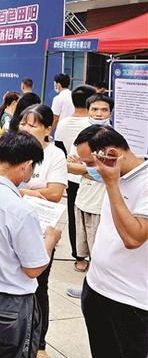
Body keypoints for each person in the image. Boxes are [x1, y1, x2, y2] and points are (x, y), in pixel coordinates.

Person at [0, 131, 62, 358]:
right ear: (26, 166)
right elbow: (32, 269)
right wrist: (50, 240)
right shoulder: (20, 211)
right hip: (10, 301)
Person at [73, 125, 148, 358]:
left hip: (130, 301)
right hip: (97, 288)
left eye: (89, 162)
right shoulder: (113, 173)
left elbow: (133, 237)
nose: (88, 169)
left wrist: (111, 184)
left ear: (111, 154)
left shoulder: (143, 182)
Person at [17, 104, 68, 358]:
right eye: (23, 123)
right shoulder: (13, 148)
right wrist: (38, 191)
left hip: (41, 231)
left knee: (39, 289)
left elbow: (56, 192)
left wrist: (24, 193)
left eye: (33, 124)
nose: (25, 128)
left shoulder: (55, 155)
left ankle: (39, 345)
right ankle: (15, 340)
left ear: (48, 129)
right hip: (11, 229)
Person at [65, 93, 115, 297]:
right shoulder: (82, 133)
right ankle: (91, 287)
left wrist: (84, 167)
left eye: (103, 110)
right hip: (83, 197)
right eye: (94, 109)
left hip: (102, 201)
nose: (99, 113)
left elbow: (107, 173)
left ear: (111, 111)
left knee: (100, 248)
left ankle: (97, 290)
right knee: (85, 242)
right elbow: (68, 165)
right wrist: (91, 169)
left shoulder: (114, 136)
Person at [55, 85, 96, 272]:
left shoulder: (63, 123)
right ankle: (93, 255)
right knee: (93, 218)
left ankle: (78, 256)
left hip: (71, 176)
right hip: (92, 178)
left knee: (74, 217)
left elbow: (60, 150)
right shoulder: (93, 124)